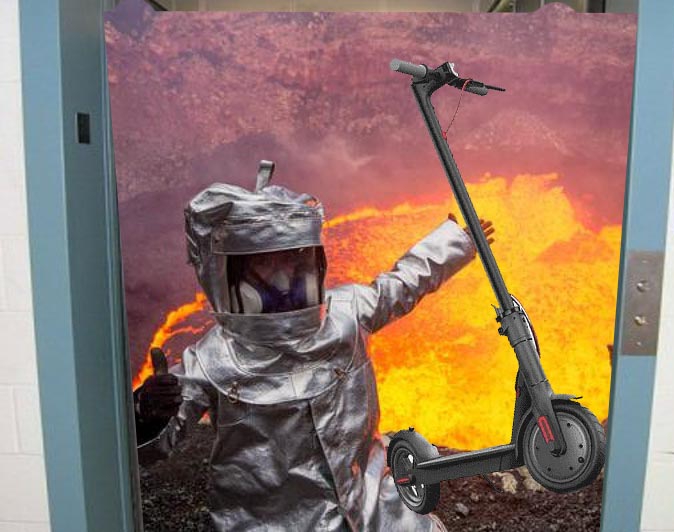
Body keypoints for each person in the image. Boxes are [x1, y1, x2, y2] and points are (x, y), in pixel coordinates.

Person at [134, 161, 494, 531]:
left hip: (372, 511)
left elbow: (401, 285)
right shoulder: (213, 359)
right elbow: (152, 443)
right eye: (264, 265)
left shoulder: (345, 314)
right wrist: (148, 414)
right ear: (234, 273)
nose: (281, 277)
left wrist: (457, 243)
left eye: (291, 261)